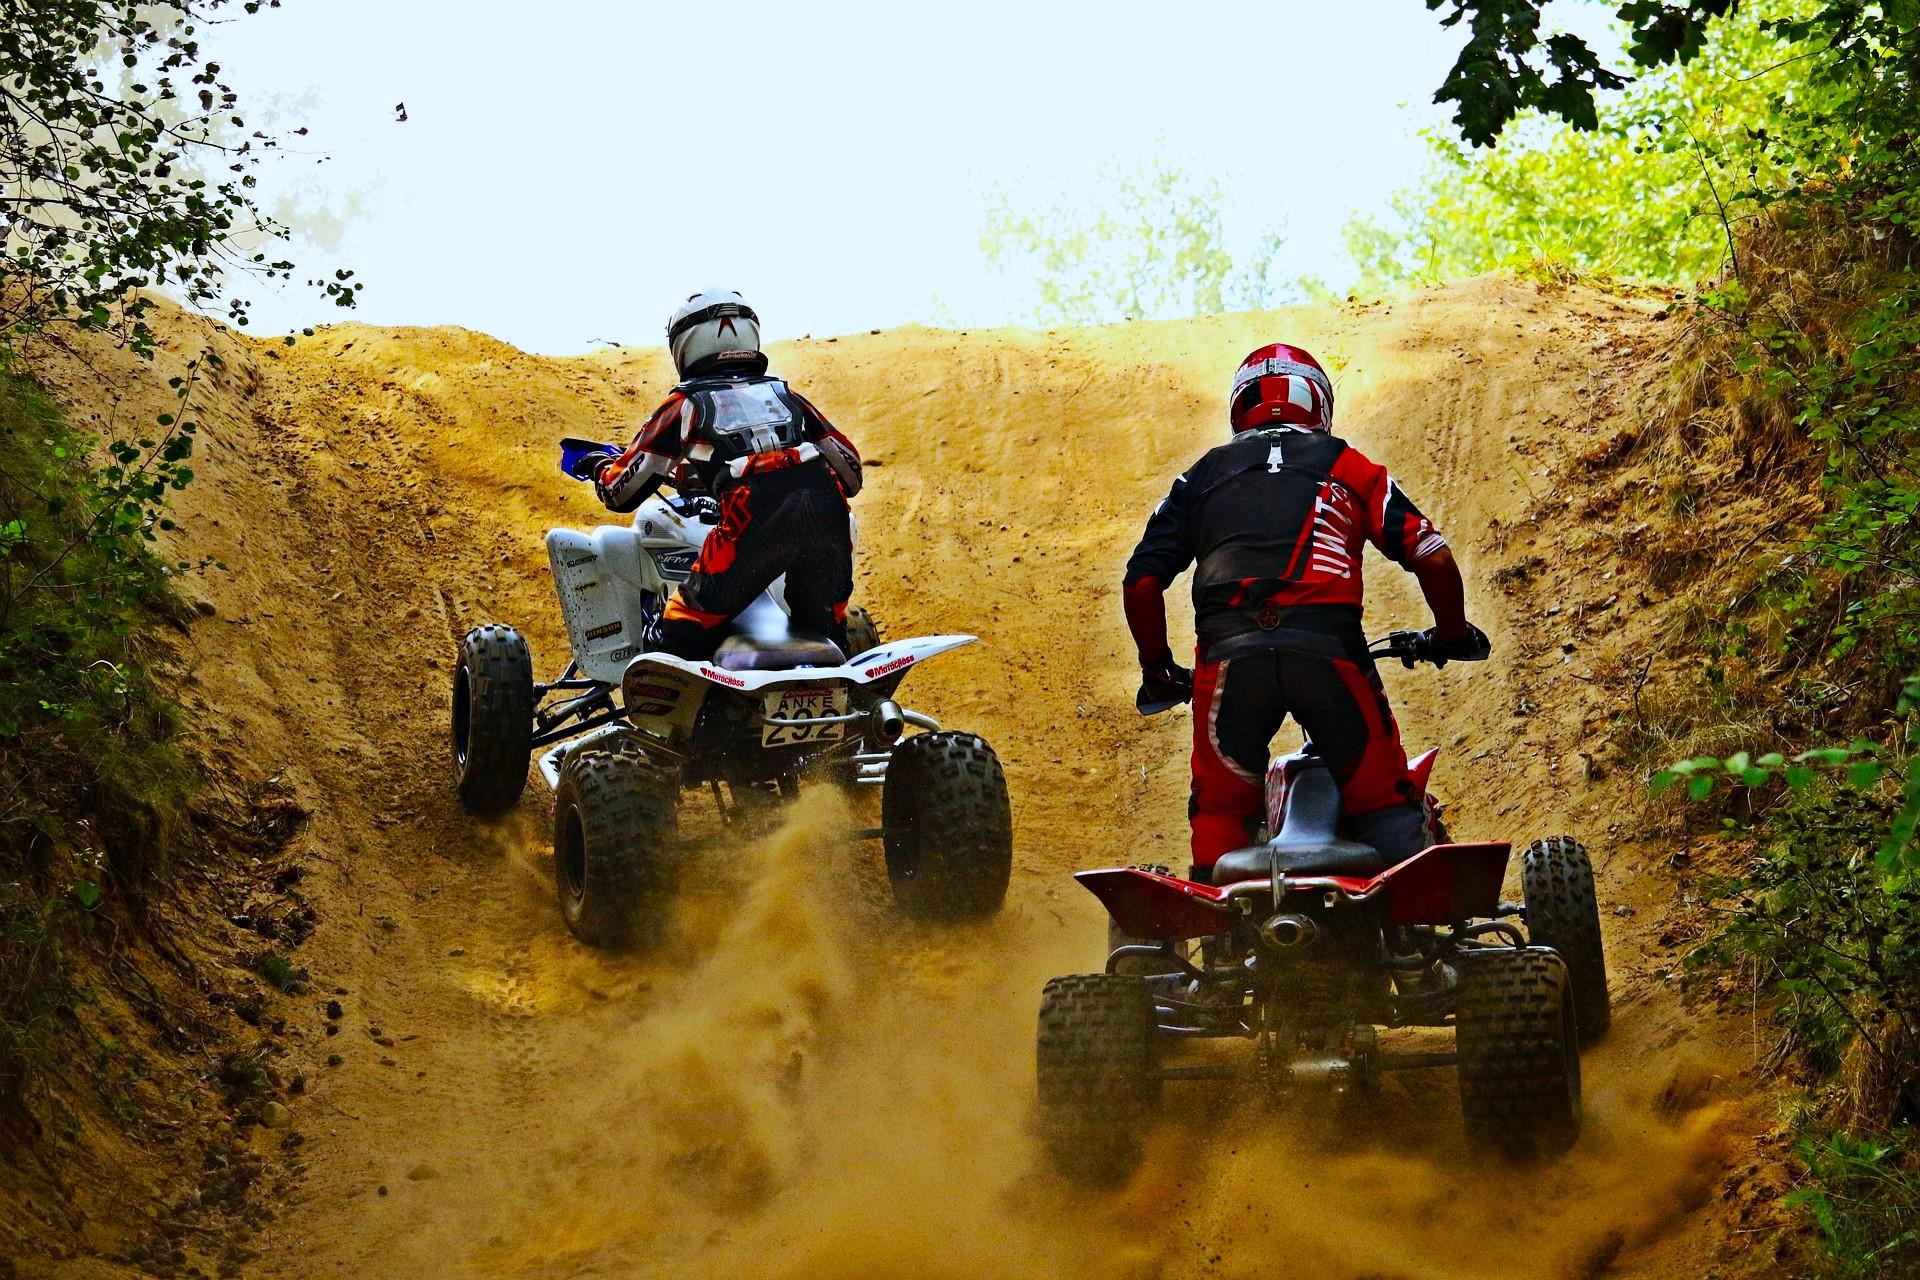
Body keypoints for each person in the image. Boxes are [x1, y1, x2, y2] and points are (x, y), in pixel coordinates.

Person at [1121, 343, 1489, 882]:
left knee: (1221, 807)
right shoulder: (1348, 464)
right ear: (1318, 404)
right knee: (1383, 801)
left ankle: (1216, 933)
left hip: (1227, 659)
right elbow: (1431, 554)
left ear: (1239, 407)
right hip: (1328, 654)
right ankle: (1412, 937)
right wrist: (1451, 634)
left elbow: (1142, 582)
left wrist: (1157, 670)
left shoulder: (1198, 478)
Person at [582, 289, 863, 660]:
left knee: (680, 629)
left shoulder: (685, 404)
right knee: (822, 637)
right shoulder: (785, 396)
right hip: (829, 513)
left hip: (754, 516)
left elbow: (621, 492)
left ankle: (694, 715)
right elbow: (852, 473)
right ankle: (848, 707)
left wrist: (597, 464)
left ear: (685, 343)